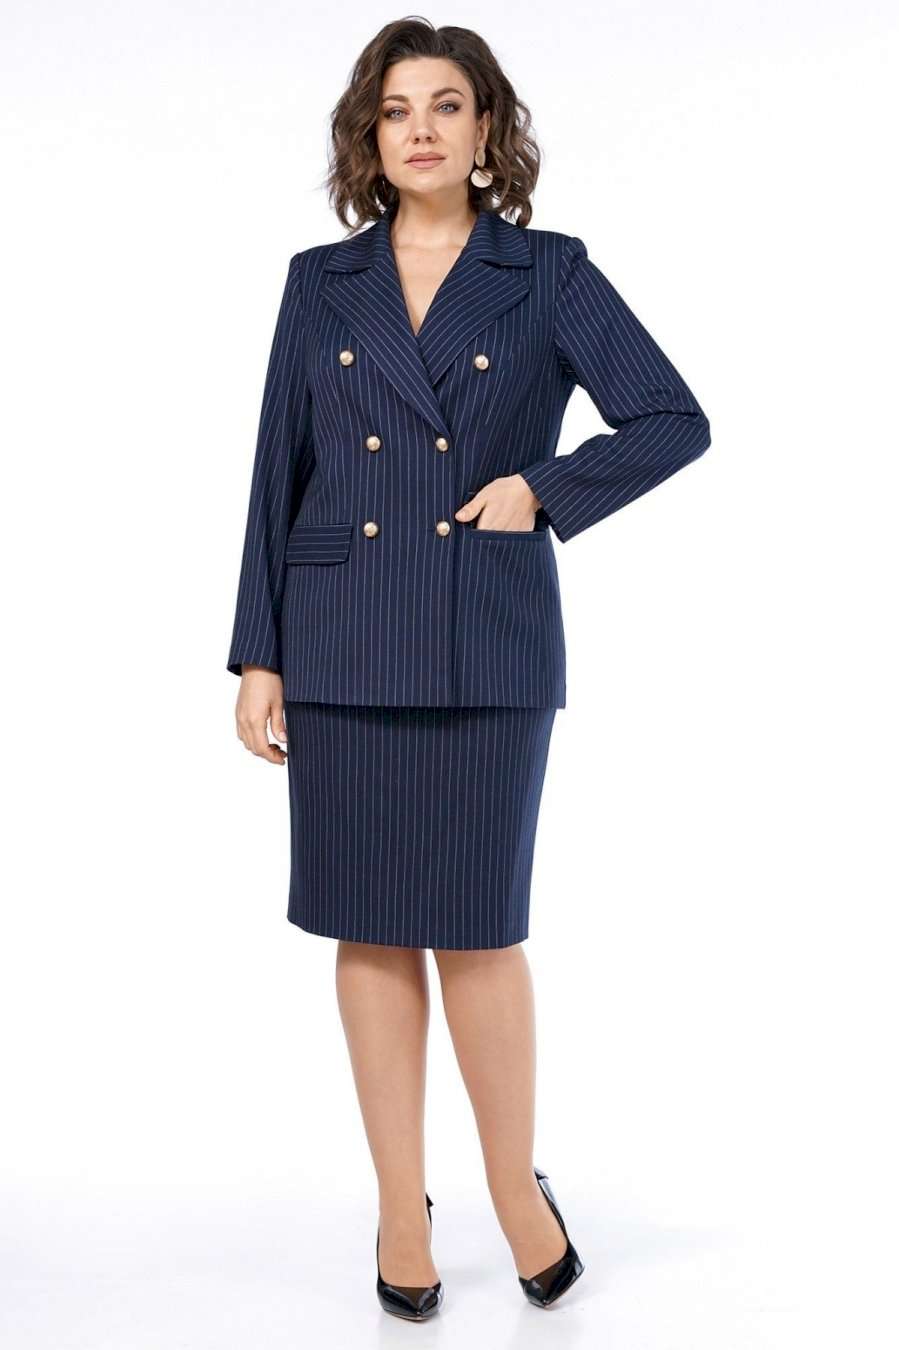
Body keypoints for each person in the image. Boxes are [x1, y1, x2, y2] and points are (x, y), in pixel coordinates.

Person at [225, 18, 710, 1319]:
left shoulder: (547, 272)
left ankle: (511, 1187)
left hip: (485, 637)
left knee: (480, 927)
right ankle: (401, 1205)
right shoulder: (320, 283)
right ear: (369, 137)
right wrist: (259, 653)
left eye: (447, 104)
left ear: (487, 127)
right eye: (397, 110)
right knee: (369, 924)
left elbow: (672, 418)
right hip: (339, 636)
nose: (422, 128)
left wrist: (543, 489)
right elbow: (278, 470)